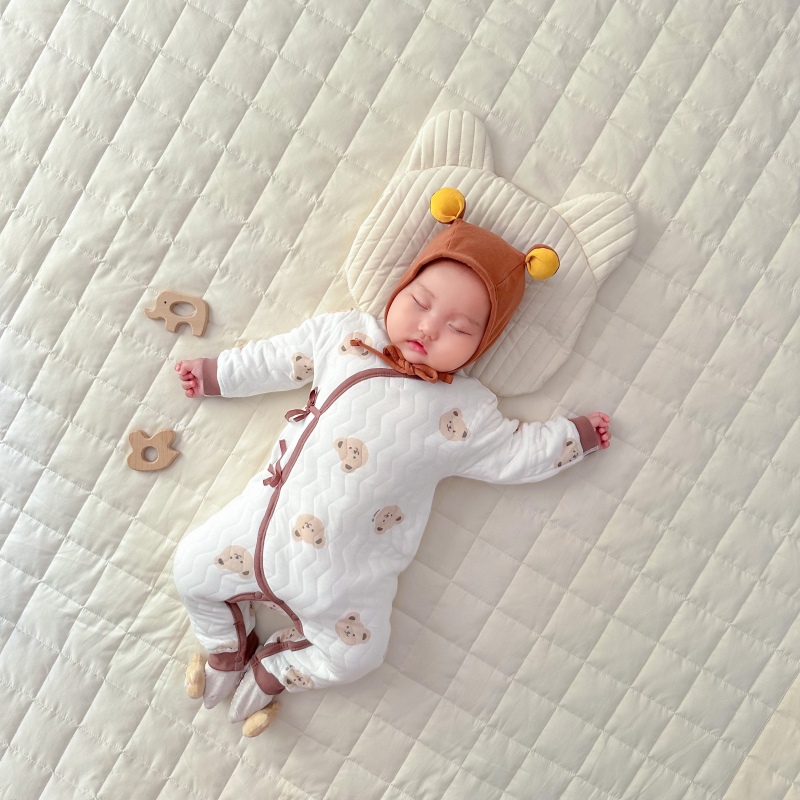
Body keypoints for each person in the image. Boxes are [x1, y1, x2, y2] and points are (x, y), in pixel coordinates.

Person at [172, 189, 611, 735]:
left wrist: (575, 437)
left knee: (358, 656)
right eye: (420, 303)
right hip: (258, 531)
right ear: (402, 286)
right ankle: (226, 647)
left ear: (484, 343)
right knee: (190, 570)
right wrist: (217, 375)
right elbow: (280, 359)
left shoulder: (464, 409)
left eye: (459, 328)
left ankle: (276, 667)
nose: (428, 328)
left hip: (345, 575)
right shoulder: (348, 338)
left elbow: (515, 454)